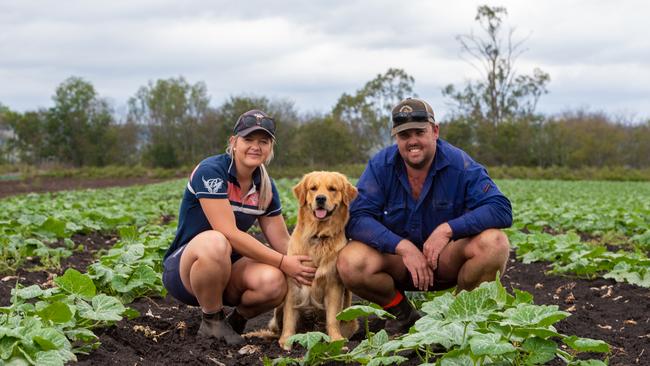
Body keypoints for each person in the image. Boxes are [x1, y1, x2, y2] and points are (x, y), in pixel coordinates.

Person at [337, 97, 512, 334]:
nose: (412, 142)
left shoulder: (459, 164)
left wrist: (447, 230)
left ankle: (456, 321)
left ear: (435, 131)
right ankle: (405, 315)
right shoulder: (381, 166)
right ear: (395, 137)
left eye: (419, 132)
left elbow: (500, 208)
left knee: (495, 243)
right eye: (404, 135)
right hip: (398, 264)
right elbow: (357, 218)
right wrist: (402, 247)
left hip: (445, 259)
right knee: (350, 260)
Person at [162, 110, 316, 345]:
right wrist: (285, 263)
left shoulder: (265, 186)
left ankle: (234, 322)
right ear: (233, 142)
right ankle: (212, 321)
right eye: (248, 139)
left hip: (229, 271)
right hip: (187, 270)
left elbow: (284, 244)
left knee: (274, 282)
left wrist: (315, 265)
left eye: (263, 141)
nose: (256, 146)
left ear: (270, 148)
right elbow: (229, 233)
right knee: (216, 241)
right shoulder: (211, 171)